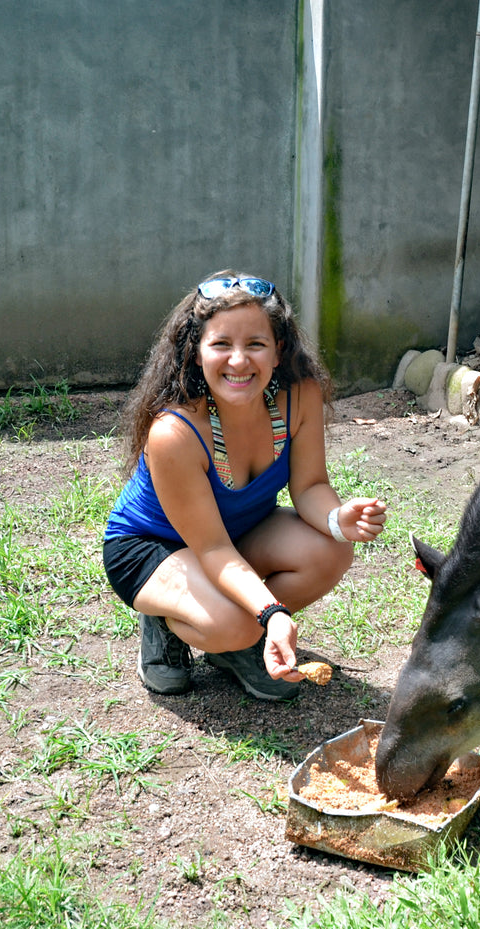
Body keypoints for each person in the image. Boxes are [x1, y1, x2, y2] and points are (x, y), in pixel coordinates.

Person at [102, 270, 387, 699]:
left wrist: (335, 518)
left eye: (255, 344)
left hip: (236, 533)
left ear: (278, 351)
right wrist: (271, 612)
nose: (239, 361)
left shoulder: (300, 395)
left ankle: (236, 642)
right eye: (221, 344)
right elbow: (212, 548)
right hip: (154, 546)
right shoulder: (174, 432)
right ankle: (172, 621)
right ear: (196, 352)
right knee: (234, 622)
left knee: (330, 550)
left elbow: (309, 485)